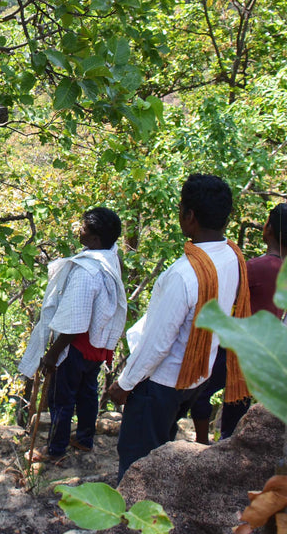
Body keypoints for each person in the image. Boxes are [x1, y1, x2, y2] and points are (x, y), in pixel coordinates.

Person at [106, 174, 251, 483]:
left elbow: (157, 344)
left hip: (162, 382)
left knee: (136, 459)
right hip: (196, 374)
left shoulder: (184, 274)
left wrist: (125, 383)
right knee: (162, 448)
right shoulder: (232, 256)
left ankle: (131, 520)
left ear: (190, 216)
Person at [18, 208, 127, 460]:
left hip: (76, 347)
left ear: (95, 239)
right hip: (97, 346)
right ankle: (84, 439)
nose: (79, 230)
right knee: (87, 394)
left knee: (61, 399)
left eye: (85, 228)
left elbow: (74, 321)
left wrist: (52, 355)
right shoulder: (111, 260)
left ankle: (55, 449)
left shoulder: (85, 272)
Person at [187, 202, 287, 444]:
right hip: (263, 348)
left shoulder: (259, 267)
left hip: (237, 344)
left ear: (268, 228)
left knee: (200, 393)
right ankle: (228, 445)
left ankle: (203, 444)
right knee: (237, 401)